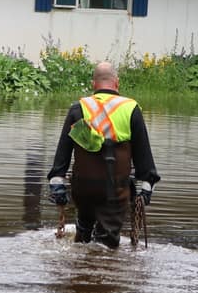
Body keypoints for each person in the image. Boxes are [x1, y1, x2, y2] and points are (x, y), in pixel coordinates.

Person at [48, 62, 160, 248]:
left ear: (93, 84)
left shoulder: (79, 108)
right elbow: (144, 157)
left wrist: (57, 187)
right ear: (117, 83)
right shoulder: (131, 109)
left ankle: (81, 247)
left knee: (83, 237)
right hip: (116, 191)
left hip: (83, 190)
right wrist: (146, 190)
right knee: (106, 246)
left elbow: (62, 156)